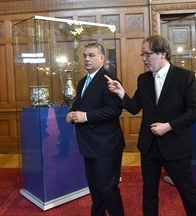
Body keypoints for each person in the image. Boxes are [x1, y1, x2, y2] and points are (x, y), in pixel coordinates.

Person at [105, 34, 196, 216]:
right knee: (149, 194)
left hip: (176, 146)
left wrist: (169, 126)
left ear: (163, 53)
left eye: (147, 54)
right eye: (142, 55)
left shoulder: (185, 77)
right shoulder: (144, 79)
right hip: (149, 147)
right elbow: (134, 108)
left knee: (188, 194)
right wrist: (121, 93)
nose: (144, 59)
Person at [66, 42, 125, 216]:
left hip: (106, 146)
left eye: (91, 55)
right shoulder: (82, 81)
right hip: (88, 145)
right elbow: (78, 105)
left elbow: (115, 109)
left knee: (107, 189)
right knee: (95, 189)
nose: (87, 59)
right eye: (84, 55)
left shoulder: (109, 79)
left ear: (102, 58)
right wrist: (71, 114)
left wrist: (85, 116)